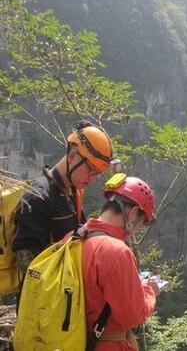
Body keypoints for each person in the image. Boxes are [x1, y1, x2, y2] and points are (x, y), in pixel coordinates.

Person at [12, 120, 115, 273]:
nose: (92, 178)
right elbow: (27, 266)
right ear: (72, 156)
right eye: (90, 170)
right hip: (43, 294)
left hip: (68, 290)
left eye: (97, 174)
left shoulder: (74, 193)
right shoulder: (38, 197)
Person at [81, 174, 159, 350]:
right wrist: (149, 291)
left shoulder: (73, 238)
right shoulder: (117, 252)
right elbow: (131, 316)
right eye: (140, 224)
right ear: (132, 214)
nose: (135, 232)